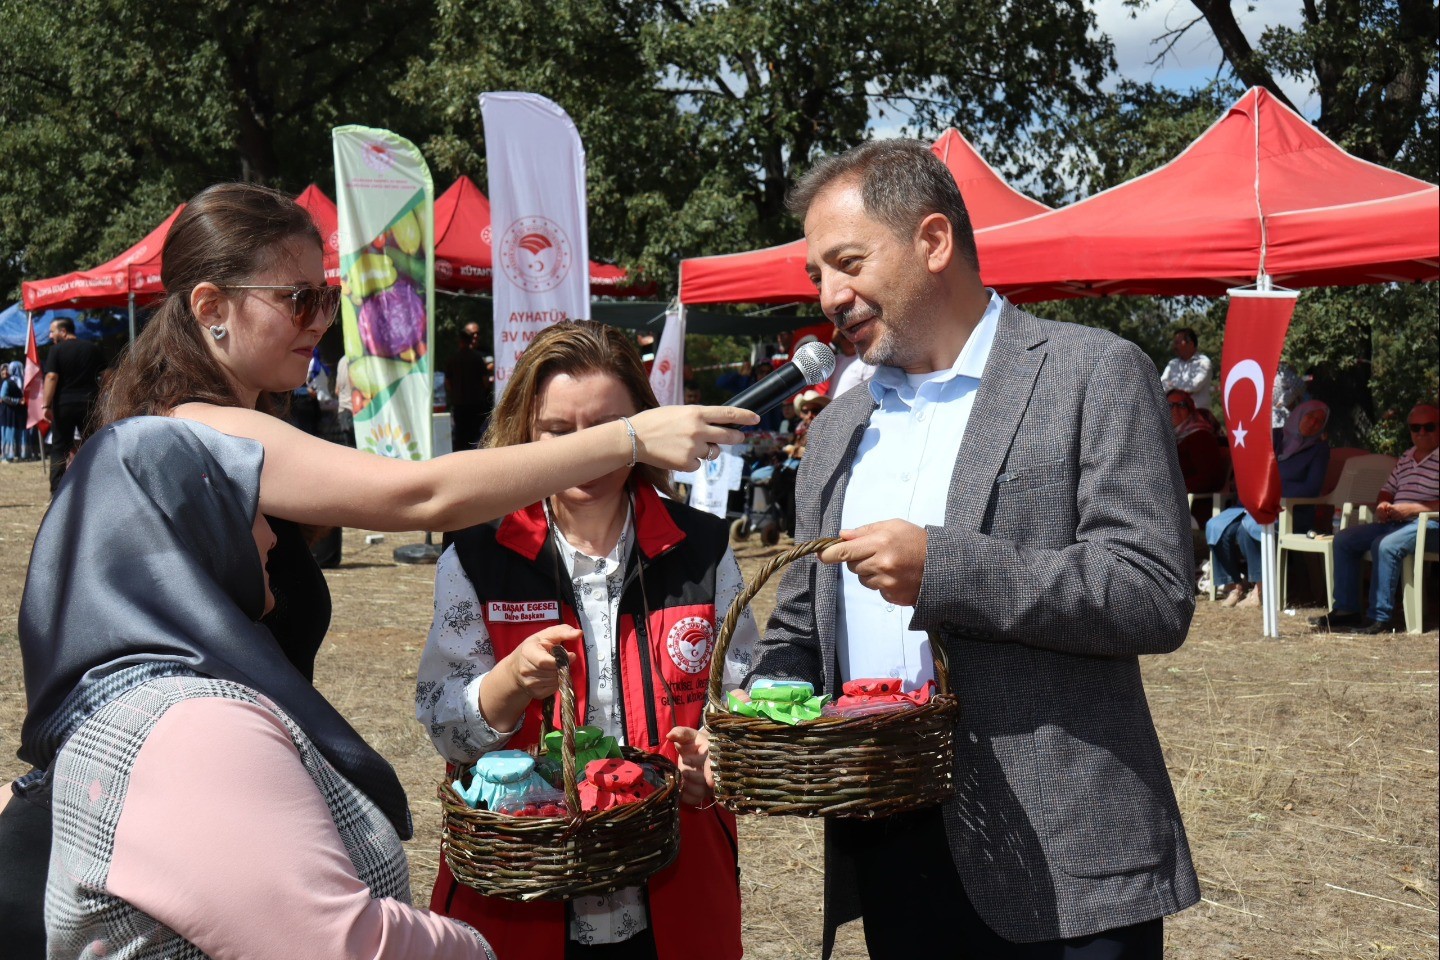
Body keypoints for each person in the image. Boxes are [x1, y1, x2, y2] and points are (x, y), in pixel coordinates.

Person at [0, 182, 754, 959]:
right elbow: (419, 493)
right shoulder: (201, 433)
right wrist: (628, 437)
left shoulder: (194, 431)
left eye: (324, 298)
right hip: (198, 813)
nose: (322, 321)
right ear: (210, 306)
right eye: (298, 299)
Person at [710, 139, 1198, 959]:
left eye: (848, 262)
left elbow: (1151, 591)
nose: (831, 296)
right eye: (816, 276)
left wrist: (946, 571)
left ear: (933, 241)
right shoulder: (835, 429)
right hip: (894, 853)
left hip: (1065, 863)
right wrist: (772, 698)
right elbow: (800, 628)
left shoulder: (1093, 373)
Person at [16, 417, 496, 958]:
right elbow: (339, 946)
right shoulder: (192, 729)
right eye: (246, 508)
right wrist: (477, 948)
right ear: (189, 528)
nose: (272, 535)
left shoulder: (125, 698)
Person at [416, 321, 754, 960]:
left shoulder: (702, 549)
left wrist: (719, 750)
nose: (587, 450)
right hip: (521, 903)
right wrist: (507, 684)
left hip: (680, 894)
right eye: (558, 433)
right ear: (526, 433)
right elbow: (444, 727)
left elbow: (744, 696)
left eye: (606, 429)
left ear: (643, 429)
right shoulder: (478, 557)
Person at [1312, 403, 1440, 634]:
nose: (1421, 432)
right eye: (1415, 427)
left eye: (1429, 427)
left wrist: (1413, 509)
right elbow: (1388, 489)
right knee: (1344, 539)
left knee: (1385, 545)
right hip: (1397, 522)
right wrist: (1383, 504)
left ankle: (1378, 618)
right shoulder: (1406, 457)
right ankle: (1346, 610)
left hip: (1431, 525)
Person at [1206, 399, 1331, 608]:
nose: (1313, 423)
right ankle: (1235, 585)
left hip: (1289, 511)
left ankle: (1260, 589)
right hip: (1253, 504)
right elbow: (1252, 466)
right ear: (1298, 414)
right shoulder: (1275, 436)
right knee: (1217, 527)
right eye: (1310, 416)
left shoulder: (1319, 449)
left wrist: (1273, 495)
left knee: (1249, 529)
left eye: (1320, 421)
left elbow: (1312, 488)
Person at [41, 316, 105, 492]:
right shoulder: (92, 348)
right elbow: (108, 374)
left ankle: (57, 490)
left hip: (64, 405)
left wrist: (46, 405)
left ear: (63, 331)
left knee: (60, 447)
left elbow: (52, 377)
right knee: (91, 445)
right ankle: (94, 486)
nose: (50, 336)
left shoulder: (56, 351)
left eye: (52, 331)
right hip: (90, 404)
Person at [446, 321, 491, 452]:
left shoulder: (452, 359)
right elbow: (485, 381)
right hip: (476, 405)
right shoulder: (477, 358)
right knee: (477, 438)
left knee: (460, 439)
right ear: (470, 340)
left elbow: (448, 383)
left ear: (459, 341)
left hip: (459, 405)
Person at [1159, 326, 1212, 412]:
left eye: (1177, 343)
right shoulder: (1173, 364)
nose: (1174, 346)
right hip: (1175, 416)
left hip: (1198, 416)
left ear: (1190, 344)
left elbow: (1193, 387)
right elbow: (1161, 385)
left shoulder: (1203, 363)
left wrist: (1171, 385)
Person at [1, 361, 24, 461]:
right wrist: (18, 401)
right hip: (10, 411)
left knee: (11, 432)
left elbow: (3, 397)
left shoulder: (17, 381)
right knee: (9, 432)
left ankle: (12, 455)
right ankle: (9, 455)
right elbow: (3, 396)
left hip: (13, 412)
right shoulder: (12, 382)